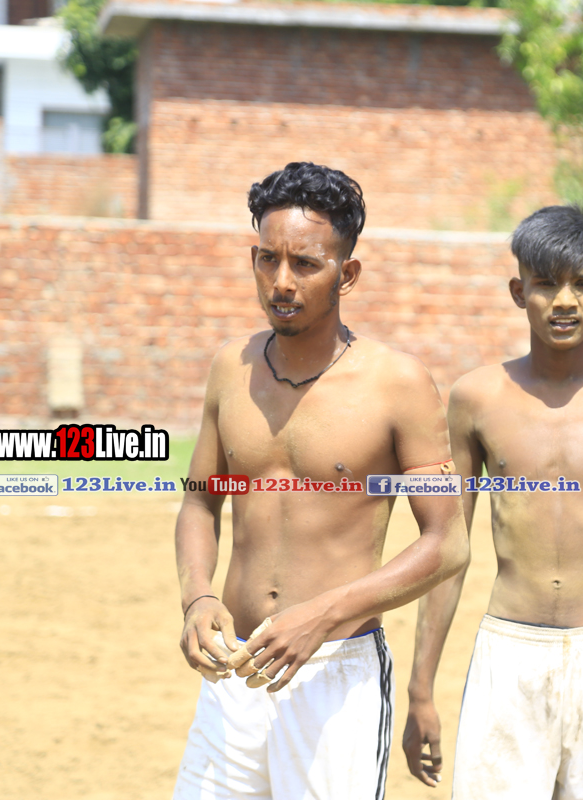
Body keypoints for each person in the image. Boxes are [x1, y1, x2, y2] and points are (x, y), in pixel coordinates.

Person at [173, 161, 468, 800]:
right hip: (235, 672)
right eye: (267, 259)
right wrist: (197, 597)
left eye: (305, 264)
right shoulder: (231, 369)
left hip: (336, 676)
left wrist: (323, 615)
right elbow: (199, 502)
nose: (282, 281)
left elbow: (447, 543)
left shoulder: (398, 383)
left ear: (347, 274)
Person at [401, 204, 583, 798]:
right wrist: (420, 688)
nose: (565, 301)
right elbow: (447, 551)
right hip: (509, 654)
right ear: (519, 292)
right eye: (546, 284)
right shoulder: (476, 398)